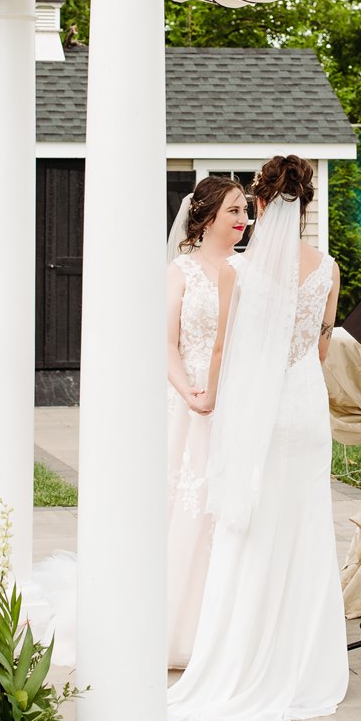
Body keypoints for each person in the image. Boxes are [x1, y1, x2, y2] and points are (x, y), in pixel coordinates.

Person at [168, 154, 349, 721]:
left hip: (261, 412)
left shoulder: (236, 273)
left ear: (261, 201)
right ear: (305, 205)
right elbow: (321, 346)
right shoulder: (329, 268)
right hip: (306, 407)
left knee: (250, 532)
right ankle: (302, 665)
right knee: (303, 529)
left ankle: (244, 658)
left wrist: (211, 397)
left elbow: (223, 351)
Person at [165, 177, 247, 669]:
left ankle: (229, 625)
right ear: (207, 215)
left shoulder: (249, 269)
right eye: (234, 211)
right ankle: (180, 629)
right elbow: (165, 344)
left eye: (246, 211)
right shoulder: (180, 272)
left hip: (239, 401)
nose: (243, 220)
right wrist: (188, 393)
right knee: (187, 511)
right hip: (190, 403)